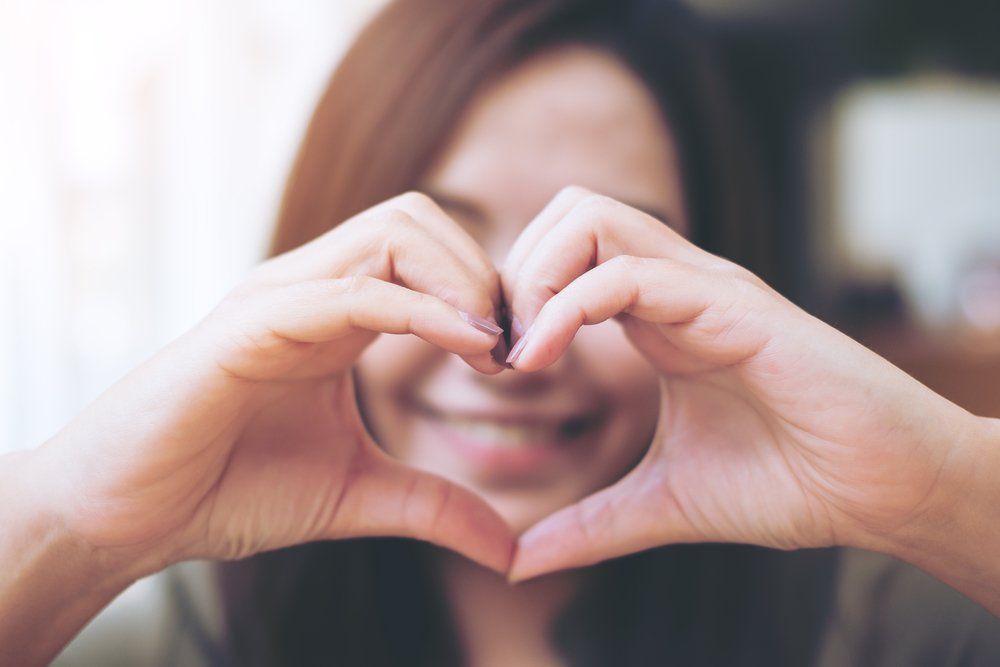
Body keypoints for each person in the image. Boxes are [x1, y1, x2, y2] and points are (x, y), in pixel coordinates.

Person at [3, 0, 999, 665]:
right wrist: (66, 525)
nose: (515, 346)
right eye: (425, 250)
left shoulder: (894, 627)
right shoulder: (133, 634)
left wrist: (943, 489)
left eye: (600, 270)